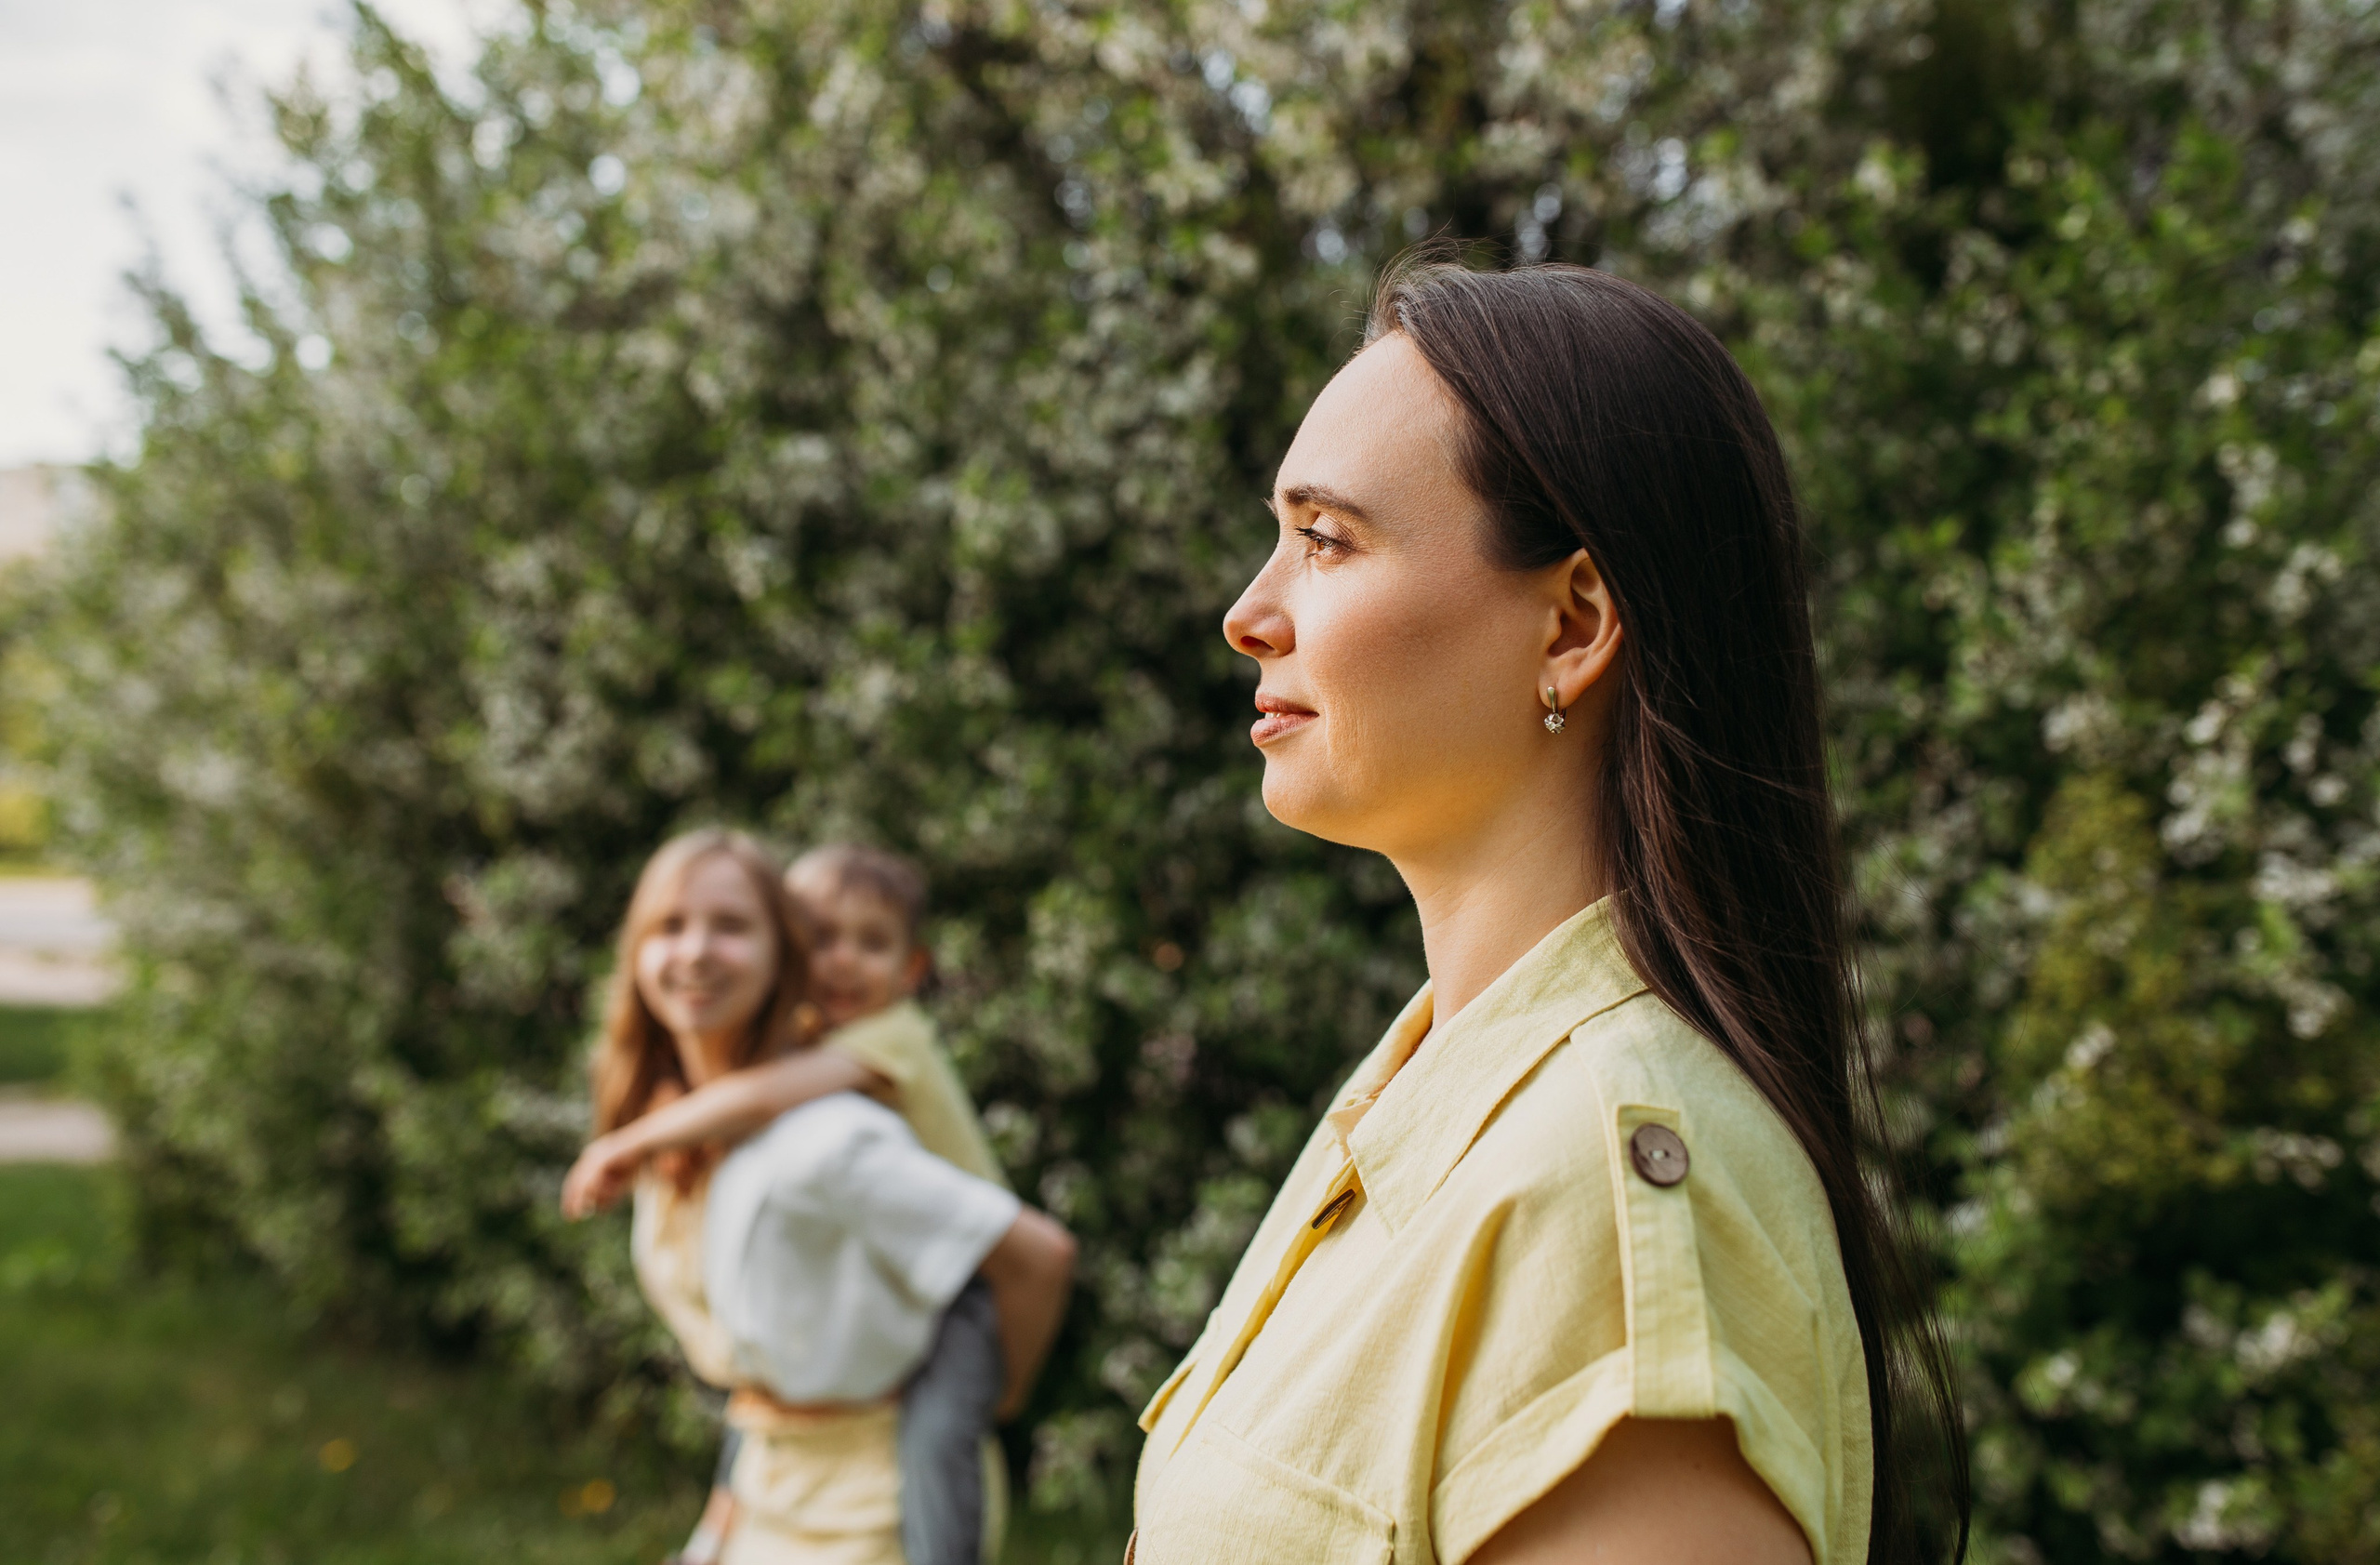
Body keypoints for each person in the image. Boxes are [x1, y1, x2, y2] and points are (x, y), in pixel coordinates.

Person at [1129, 259, 1968, 1565]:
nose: (1249, 615)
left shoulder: (1609, 1202)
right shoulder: (1423, 1098)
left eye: (1325, 538)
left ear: (1572, 624)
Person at [570, 830, 1074, 1565]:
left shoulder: (836, 1116)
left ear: (780, 954)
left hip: (871, 1497)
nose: (697, 950)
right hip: (773, 1477)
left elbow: (1038, 1254)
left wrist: (1003, 1391)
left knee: (941, 1443)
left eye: (731, 924)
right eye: (670, 924)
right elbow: (755, 1355)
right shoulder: (689, 1127)